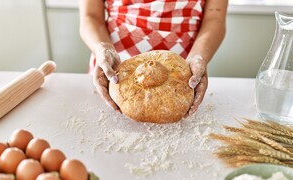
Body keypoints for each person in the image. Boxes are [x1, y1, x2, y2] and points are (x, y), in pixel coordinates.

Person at [79, 0, 227, 117]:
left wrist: (198, 56)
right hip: (112, 66)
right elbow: (90, 15)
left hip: (184, 74)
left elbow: (215, 18)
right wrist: (102, 49)